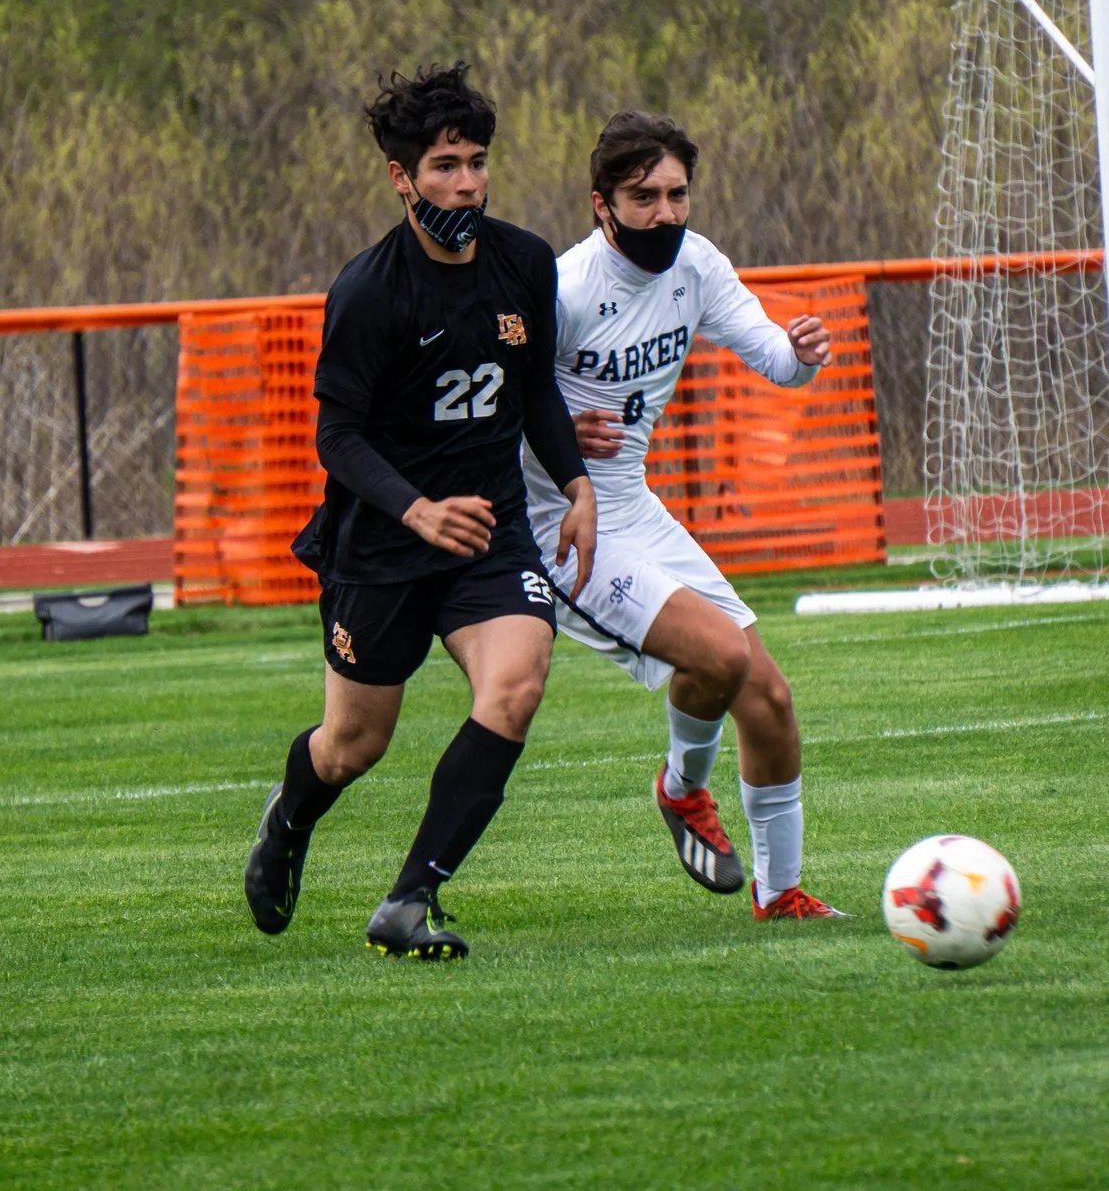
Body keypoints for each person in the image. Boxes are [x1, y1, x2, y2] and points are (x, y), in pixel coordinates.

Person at [242, 62, 596, 961]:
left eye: (476, 161)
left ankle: (410, 898)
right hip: (382, 546)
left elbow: (539, 394)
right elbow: (339, 437)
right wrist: (416, 510)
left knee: (515, 685)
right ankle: (288, 818)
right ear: (402, 178)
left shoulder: (522, 261)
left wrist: (579, 484)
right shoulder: (369, 291)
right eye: (444, 165)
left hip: (489, 533)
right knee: (353, 745)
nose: (467, 181)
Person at [522, 110, 843, 920]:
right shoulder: (562, 289)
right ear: (602, 204)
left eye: (677, 193)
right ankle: (681, 791)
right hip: (563, 522)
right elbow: (493, 417)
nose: (666, 211)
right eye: (645, 196)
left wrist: (801, 355)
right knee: (719, 658)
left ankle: (782, 894)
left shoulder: (696, 265)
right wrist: (555, 437)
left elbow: (773, 357)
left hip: (635, 504)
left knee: (767, 695)